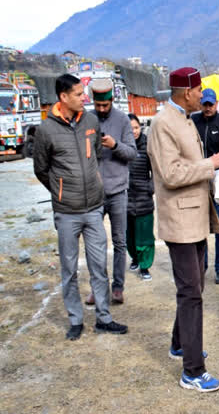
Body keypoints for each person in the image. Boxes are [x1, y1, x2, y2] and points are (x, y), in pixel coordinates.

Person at [147, 67, 219, 393]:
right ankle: (193, 372)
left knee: (195, 283)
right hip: (180, 222)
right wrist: (210, 164)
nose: (203, 96)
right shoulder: (163, 123)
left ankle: (179, 345)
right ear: (187, 92)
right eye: (200, 91)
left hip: (195, 219)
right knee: (192, 293)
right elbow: (171, 174)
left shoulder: (184, 119)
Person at [33, 73, 128, 341]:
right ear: (63, 97)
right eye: (78, 94)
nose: (83, 98)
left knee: (99, 266)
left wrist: (94, 184)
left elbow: (96, 153)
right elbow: (41, 169)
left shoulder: (89, 121)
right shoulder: (46, 130)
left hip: (94, 208)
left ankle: (104, 318)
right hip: (66, 212)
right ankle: (75, 320)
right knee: (69, 268)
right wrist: (62, 191)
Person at [85, 78, 136, 305]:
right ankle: (97, 288)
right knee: (95, 244)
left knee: (119, 242)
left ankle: (118, 287)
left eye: (105, 105)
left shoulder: (123, 120)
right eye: (98, 105)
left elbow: (132, 154)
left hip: (117, 191)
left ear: (112, 100)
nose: (102, 109)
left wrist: (115, 145)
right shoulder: (86, 119)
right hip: (93, 193)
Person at [192, 88, 219, 284]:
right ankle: (202, 266)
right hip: (199, 180)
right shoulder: (194, 121)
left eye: (211, 104)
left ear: (216, 104)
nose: (207, 108)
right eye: (205, 104)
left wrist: (215, 164)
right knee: (199, 227)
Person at [126, 113, 155, 281]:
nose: (134, 131)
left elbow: (155, 171)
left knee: (144, 235)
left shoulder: (148, 146)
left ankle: (145, 266)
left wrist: (150, 187)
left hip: (144, 197)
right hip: (126, 197)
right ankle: (134, 257)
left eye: (136, 127)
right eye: (130, 129)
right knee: (129, 234)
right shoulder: (121, 146)